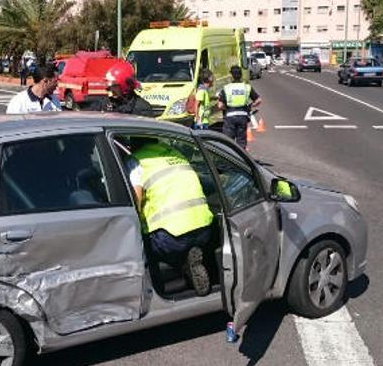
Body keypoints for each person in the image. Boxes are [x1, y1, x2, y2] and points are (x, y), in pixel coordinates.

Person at [127, 138, 213, 296]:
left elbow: (136, 200)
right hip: (204, 230)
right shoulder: (174, 152)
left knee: (139, 246)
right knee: (182, 244)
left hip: (171, 237)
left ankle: (156, 291)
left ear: (132, 145)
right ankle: (186, 262)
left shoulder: (137, 160)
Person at [85, 60, 153, 116]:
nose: (110, 90)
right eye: (109, 86)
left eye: (114, 86)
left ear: (126, 86)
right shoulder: (104, 104)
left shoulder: (142, 109)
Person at [217, 66, 261, 150]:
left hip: (230, 116)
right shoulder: (246, 87)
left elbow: (220, 105)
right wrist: (250, 106)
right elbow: (258, 100)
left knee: (228, 142)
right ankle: (241, 159)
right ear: (241, 75)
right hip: (243, 116)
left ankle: (230, 159)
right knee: (241, 141)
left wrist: (225, 108)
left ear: (231, 75)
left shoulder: (227, 88)